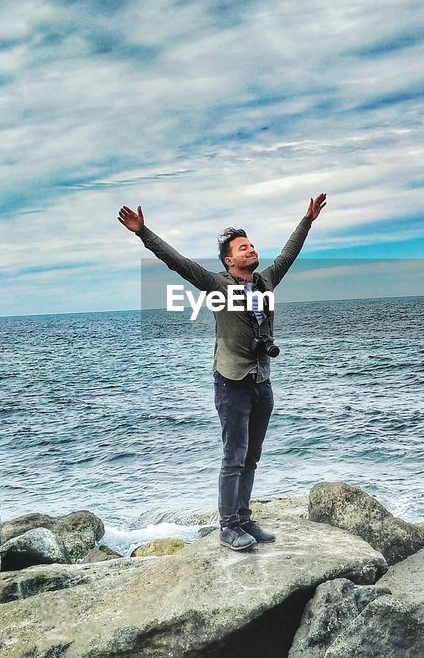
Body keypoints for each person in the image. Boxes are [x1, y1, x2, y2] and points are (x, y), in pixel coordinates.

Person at [117, 194, 327, 551]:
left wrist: (307, 220)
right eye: (243, 248)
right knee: (234, 456)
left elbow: (288, 254)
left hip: (262, 380)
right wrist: (143, 233)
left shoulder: (266, 281)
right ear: (229, 260)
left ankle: (243, 518)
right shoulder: (216, 286)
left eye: (252, 246)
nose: (251, 250)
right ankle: (228, 526)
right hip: (231, 381)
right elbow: (178, 262)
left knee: (253, 456)